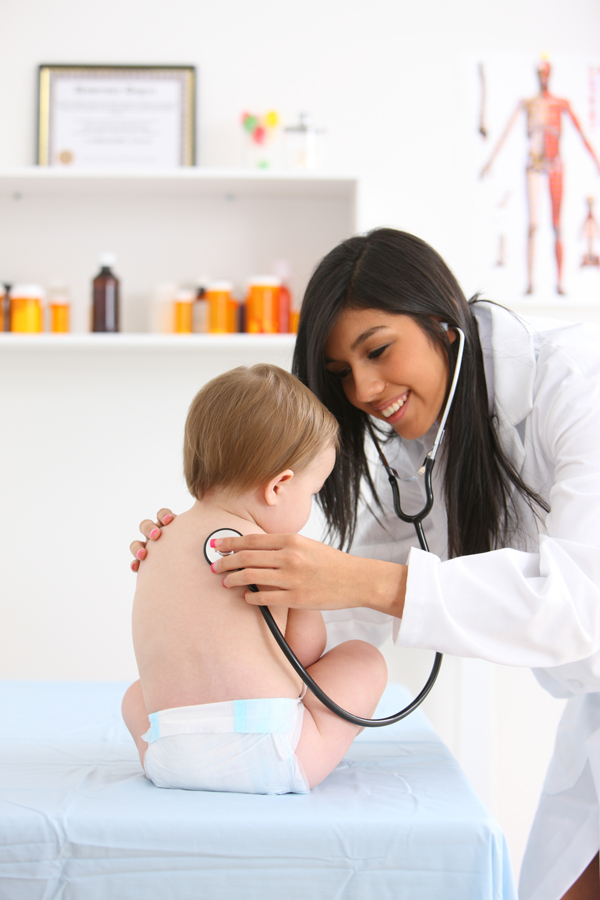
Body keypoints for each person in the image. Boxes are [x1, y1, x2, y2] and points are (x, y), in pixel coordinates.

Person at [131, 228, 600, 900]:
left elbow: (584, 604)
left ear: (444, 321)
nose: (366, 388)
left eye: (377, 350)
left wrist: (357, 583)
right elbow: (344, 625)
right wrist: (207, 598)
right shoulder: (418, 447)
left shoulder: (579, 381)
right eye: (342, 373)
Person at [123, 363, 387, 795]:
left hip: (168, 757)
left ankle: (177, 756)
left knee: (137, 695)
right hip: (270, 756)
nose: (311, 503)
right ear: (278, 486)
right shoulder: (273, 552)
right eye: (313, 492)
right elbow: (303, 654)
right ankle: (311, 747)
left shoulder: (157, 538)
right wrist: (304, 598)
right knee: (363, 660)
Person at [481, 58, 600, 295]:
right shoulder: (528, 103)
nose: (543, 76)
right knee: (533, 225)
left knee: (556, 225)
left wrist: (596, 162)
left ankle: (559, 283)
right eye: (539, 72)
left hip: (555, 165)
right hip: (533, 166)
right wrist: (490, 162)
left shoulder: (560, 103)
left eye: (545, 72)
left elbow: (580, 132)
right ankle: (531, 283)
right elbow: (506, 132)